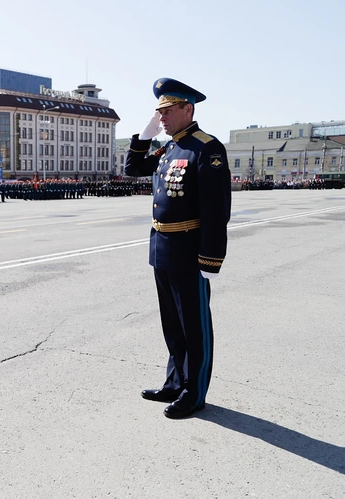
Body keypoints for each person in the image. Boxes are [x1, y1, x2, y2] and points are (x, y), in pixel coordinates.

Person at [125, 78, 231, 420]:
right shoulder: (169, 149)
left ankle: (194, 392)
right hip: (163, 248)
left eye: (168, 111)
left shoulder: (207, 148)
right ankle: (175, 381)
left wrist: (210, 258)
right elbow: (133, 169)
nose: (163, 118)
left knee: (194, 327)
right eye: (159, 112)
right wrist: (145, 135)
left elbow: (216, 208)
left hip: (189, 252)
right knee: (172, 323)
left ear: (188, 109)